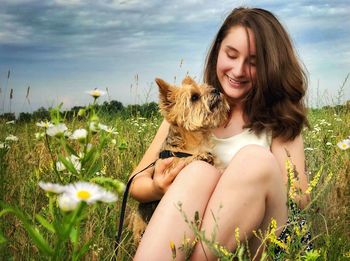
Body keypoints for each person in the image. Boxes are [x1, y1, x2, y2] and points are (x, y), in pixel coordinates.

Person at [130, 6, 310, 260]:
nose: (238, 70)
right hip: (193, 234)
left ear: (271, 67)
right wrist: (158, 187)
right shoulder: (184, 116)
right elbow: (135, 184)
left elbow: (299, 199)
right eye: (231, 55)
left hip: (260, 239)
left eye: (253, 62)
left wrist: (234, 186)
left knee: (253, 160)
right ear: (217, 53)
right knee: (199, 171)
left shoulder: (280, 117)